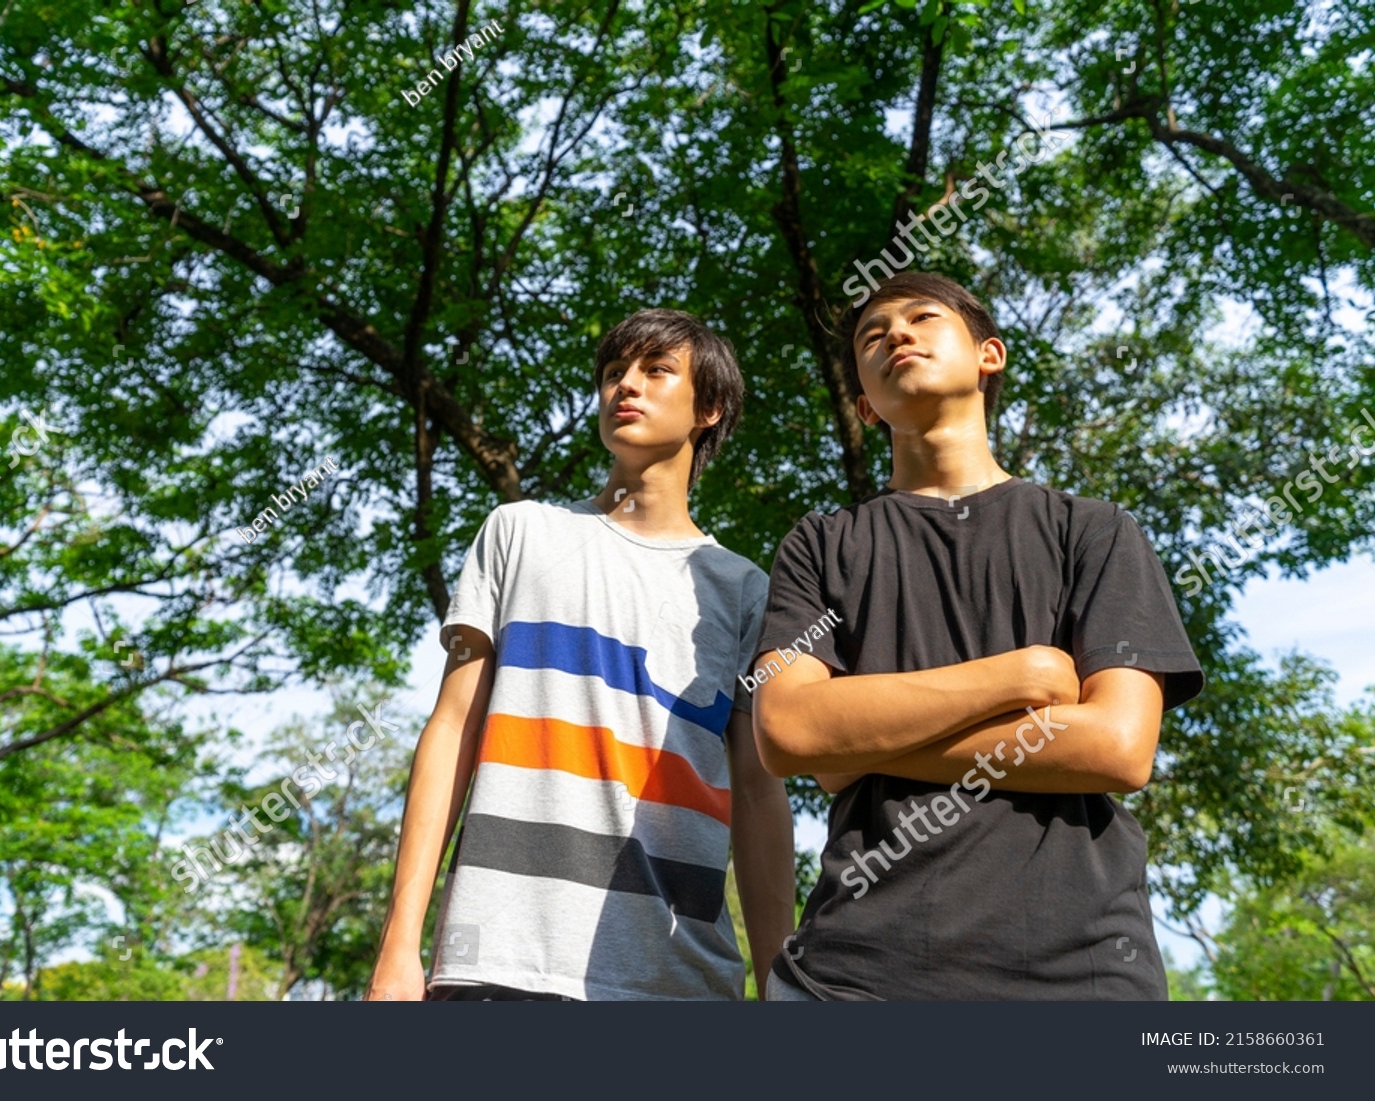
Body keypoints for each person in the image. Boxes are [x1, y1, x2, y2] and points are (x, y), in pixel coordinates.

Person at [751, 271, 1204, 1000]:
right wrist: (1021, 676)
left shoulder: (1093, 530)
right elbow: (787, 730)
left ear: (989, 354)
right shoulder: (822, 544)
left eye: (922, 317)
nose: (896, 333)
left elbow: (1117, 746)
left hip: (1079, 979)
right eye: (873, 334)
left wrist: (861, 746)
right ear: (865, 405)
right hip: (849, 981)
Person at [366, 309, 794, 1001]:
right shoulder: (521, 533)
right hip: (496, 964)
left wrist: (780, 982)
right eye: (612, 372)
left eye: (656, 370)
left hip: (676, 983)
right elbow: (451, 731)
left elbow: (757, 788)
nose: (626, 385)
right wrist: (398, 946)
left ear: (708, 409)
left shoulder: (744, 590)